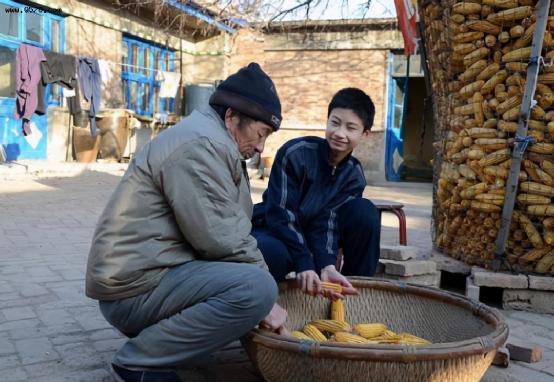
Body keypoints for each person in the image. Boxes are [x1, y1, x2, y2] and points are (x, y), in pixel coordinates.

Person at [85, 63, 287, 382]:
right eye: (260, 134)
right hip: (133, 290)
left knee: (271, 253)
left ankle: (176, 338)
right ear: (232, 116)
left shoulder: (214, 139)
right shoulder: (200, 145)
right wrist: (267, 303)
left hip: (157, 272)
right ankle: (140, 361)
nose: (261, 146)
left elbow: (231, 221)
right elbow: (222, 238)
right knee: (258, 288)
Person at [251, 88, 381, 298]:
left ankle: (355, 294)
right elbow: (281, 214)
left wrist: (327, 265)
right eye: (335, 123)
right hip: (276, 231)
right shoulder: (296, 153)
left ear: (364, 133)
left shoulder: (353, 175)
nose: (340, 133)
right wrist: (305, 262)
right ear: (327, 120)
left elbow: (328, 221)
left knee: (365, 212)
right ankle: (260, 305)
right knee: (269, 253)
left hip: (317, 238)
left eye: (351, 128)